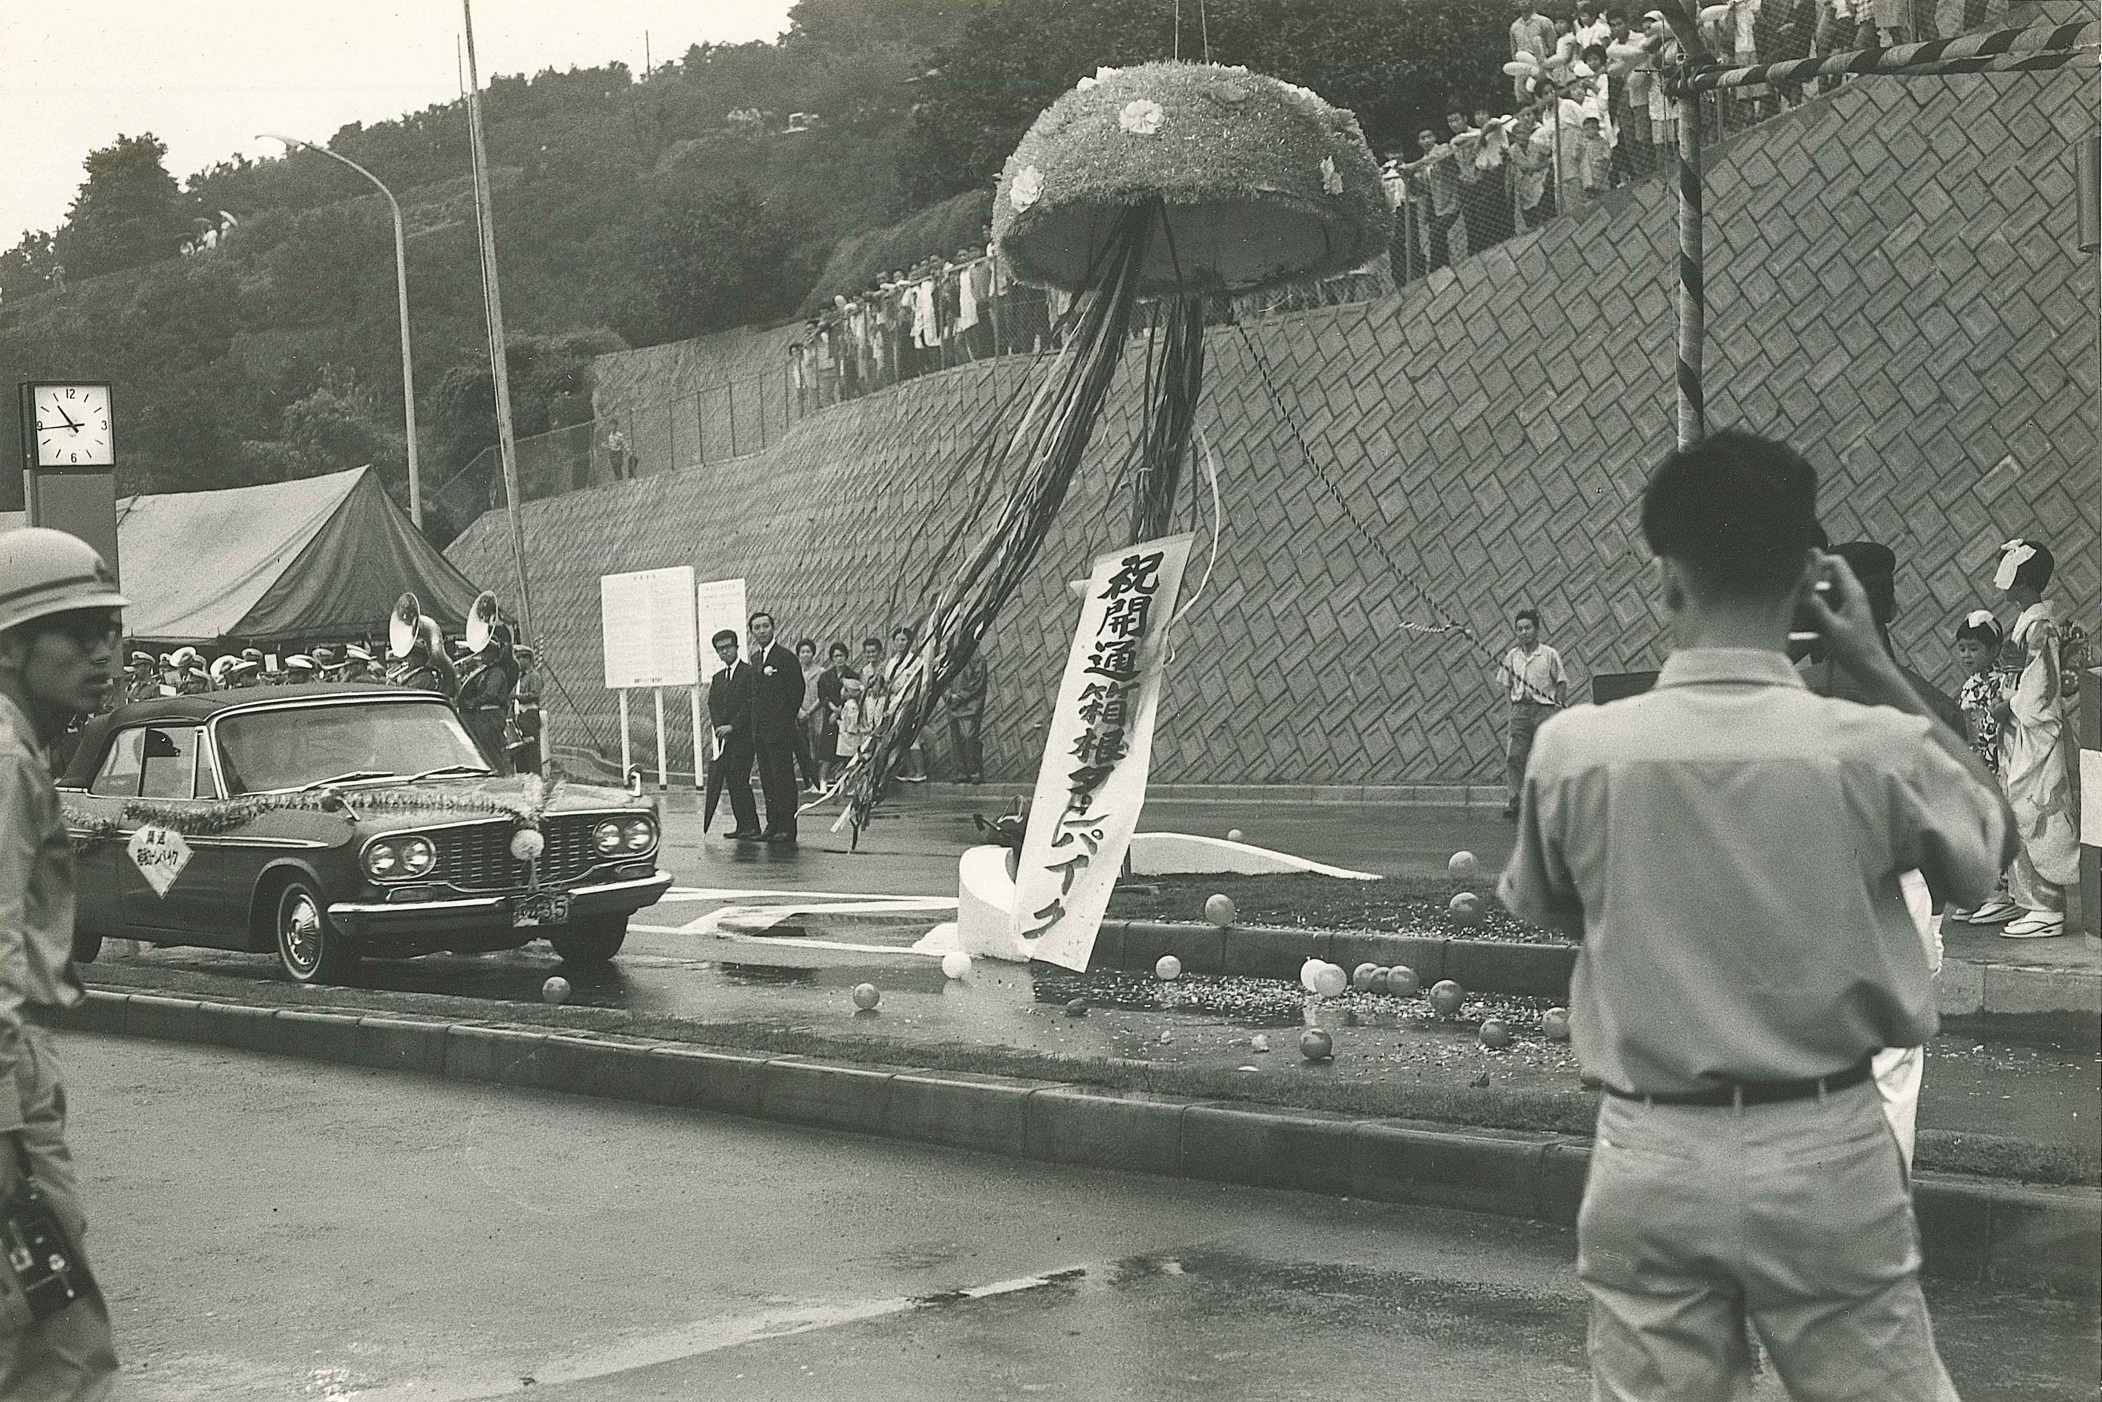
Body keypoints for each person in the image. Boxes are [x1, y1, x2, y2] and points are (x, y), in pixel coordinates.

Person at [1500, 429, 2010, 1402]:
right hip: (1825, 1149)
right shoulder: (1877, 747)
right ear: (1810, 577)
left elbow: (1553, 905)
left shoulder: (1573, 751)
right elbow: (1989, 845)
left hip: (1646, 1146)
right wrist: (1875, 661)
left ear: (1664, 576)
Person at [0, 528, 127, 1394]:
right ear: (10, 645)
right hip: (7, 1092)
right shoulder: (6, 760)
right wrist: (9, 1132)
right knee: (61, 1349)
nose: (103, 651)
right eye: (76, 631)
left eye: (110, 629)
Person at [1989, 539, 2077, 939]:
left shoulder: (2039, 626)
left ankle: (2048, 907)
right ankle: (2032, 903)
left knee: (2035, 811)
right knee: (2020, 809)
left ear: (2021, 578)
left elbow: (2039, 690)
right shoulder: (2029, 621)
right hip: (2021, 733)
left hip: (2033, 732)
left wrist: (2008, 700)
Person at [1946, 610, 2009, 923]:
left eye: (1974, 648)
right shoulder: (1969, 685)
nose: (1967, 655)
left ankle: (2001, 894)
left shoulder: (2001, 684)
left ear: (1994, 650)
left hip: (1993, 761)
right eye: (1962, 648)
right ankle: (1982, 892)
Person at [1497, 607, 1565, 820]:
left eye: (1527, 628)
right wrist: (1513, 705)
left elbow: (1561, 681)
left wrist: (1557, 705)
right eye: (1519, 629)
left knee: (1543, 757)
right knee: (1515, 756)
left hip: (1544, 710)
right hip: (1520, 711)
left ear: (1536, 629)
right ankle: (1516, 803)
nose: (1523, 632)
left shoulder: (1549, 655)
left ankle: (1546, 804)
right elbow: (1506, 683)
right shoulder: (1512, 657)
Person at [747, 611, 805, 842]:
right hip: (760, 730)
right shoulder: (755, 659)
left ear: (773, 628)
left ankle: (786, 827)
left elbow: (796, 690)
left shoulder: (785, 657)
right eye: (757, 628)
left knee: (783, 778)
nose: (762, 631)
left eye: (765, 626)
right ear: (752, 632)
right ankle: (772, 824)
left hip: (779, 729)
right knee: (767, 779)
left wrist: (785, 720)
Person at [704, 630, 760, 840]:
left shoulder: (748, 672)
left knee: (740, 778)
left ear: (737, 648)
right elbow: (713, 703)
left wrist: (733, 726)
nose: (724, 652)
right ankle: (742, 825)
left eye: (728, 647)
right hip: (725, 738)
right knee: (731, 780)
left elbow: (750, 702)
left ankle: (752, 825)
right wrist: (720, 726)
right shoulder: (719, 677)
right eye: (720, 649)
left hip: (744, 736)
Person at [455, 623, 519, 775]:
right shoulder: (486, 671)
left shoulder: (496, 671)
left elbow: (490, 694)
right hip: (484, 715)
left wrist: (473, 702)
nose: (482, 656)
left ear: (493, 654)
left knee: (492, 752)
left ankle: (502, 777)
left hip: (491, 715)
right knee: (484, 751)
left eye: (485, 653)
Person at [884, 627, 928, 782]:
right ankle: (910, 770)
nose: (900, 643)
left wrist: (915, 702)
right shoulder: (891, 662)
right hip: (896, 703)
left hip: (910, 702)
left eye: (903, 640)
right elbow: (887, 682)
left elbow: (922, 683)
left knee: (912, 737)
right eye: (897, 640)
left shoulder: (916, 660)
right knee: (899, 737)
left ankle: (920, 771)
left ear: (909, 642)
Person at [946, 646, 989, 785]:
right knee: (956, 738)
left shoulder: (977, 658)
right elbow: (943, 678)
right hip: (953, 704)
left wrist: (959, 696)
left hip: (971, 704)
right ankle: (961, 772)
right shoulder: (951, 658)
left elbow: (978, 682)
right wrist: (948, 695)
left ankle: (974, 770)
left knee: (969, 737)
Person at [816, 642, 856, 788]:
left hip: (847, 715)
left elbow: (854, 694)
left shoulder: (852, 674)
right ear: (832, 658)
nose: (839, 659)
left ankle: (846, 782)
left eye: (841, 655)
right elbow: (822, 695)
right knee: (827, 749)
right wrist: (833, 709)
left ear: (846, 656)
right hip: (830, 716)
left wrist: (840, 710)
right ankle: (823, 782)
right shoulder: (826, 676)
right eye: (836, 656)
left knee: (846, 749)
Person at [794, 639, 825, 795]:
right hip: (799, 715)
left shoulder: (820, 672)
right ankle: (808, 782)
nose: (805, 655)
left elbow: (822, 695)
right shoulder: (794, 672)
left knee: (817, 747)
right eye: (802, 652)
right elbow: (791, 694)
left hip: (816, 714)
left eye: (808, 651)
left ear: (813, 653)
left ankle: (819, 781)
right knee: (803, 748)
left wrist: (809, 711)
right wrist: (800, 711)